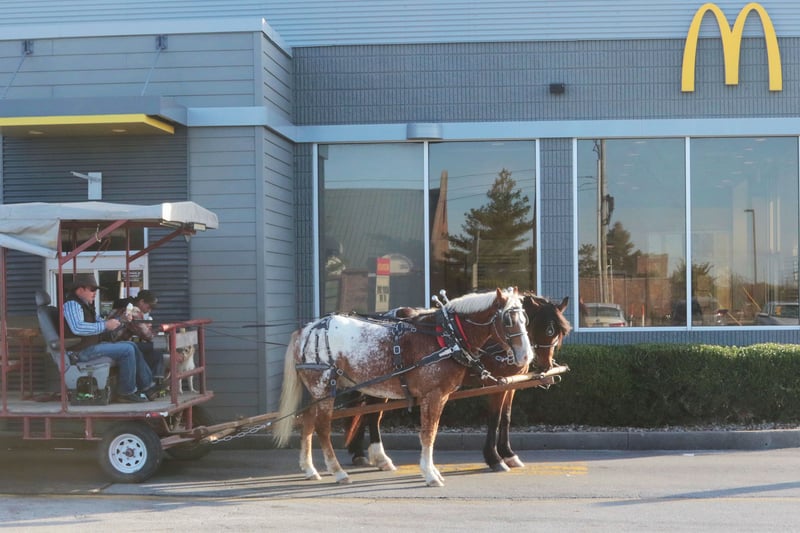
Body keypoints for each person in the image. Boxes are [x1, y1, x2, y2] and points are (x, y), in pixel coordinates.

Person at [62, 273, 161, 403]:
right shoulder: (72, 304)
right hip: (80, 351)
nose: (95, 293)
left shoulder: (86, 305)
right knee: (128, 349)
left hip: (91, 346)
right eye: (92, 289)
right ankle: (127, 392)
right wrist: (105, 325)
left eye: (96, 290)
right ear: (80, 289)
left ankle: (147, 387)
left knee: (131, 345)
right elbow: (77, 327)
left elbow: (102, 323)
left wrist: (121, 320)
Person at [107, 289, 165, 380]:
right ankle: (155, 380)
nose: (150, 310)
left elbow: (140, 330)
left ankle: (151, 379)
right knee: (158, 346)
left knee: (153, 349)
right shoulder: (134, 311)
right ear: (141, 302)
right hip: (116, 345)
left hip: (109, 343)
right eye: (149, 306)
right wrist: (165, 342)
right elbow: (147, 335)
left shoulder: (123, 307)